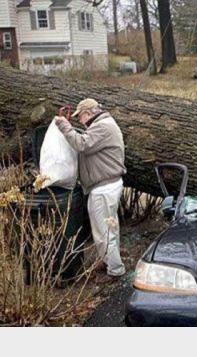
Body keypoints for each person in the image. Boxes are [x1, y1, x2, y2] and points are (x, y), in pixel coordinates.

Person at [55, 98, 127, 284]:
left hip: (104, 188)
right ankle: (109, 260)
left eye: (80, 116)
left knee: (103, 232)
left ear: (88, 113)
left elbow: (81, 144)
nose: (80, 120)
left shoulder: (103, 127)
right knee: (110, 228)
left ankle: (115, 270)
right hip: (107, 185)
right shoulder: (104, 124)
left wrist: (64, 126)